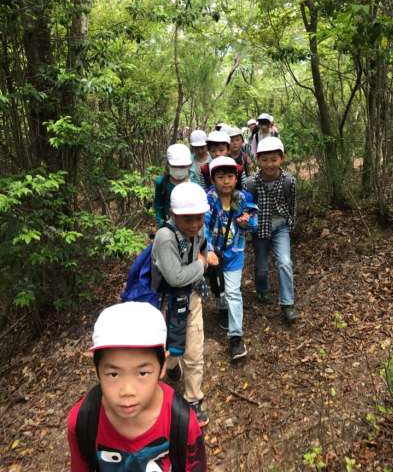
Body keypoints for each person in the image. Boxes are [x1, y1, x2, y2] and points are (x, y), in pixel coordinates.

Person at [67, 302, 207, 471]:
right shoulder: (83, 421)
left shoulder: (182, 422)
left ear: (162, 366)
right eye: (113, 374)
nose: (127, 391)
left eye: (142, 373)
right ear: (97, 369)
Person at [151, 182, 210, 427]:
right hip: (167, 302)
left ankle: (193, 398)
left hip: (191, 296)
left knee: (194, 349)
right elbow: (175, 277)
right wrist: (201, 264)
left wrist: (200, 262)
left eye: (199, 217)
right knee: (169, 341)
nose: (195, 224)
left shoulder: (200, 230)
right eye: (188, 219)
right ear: (174, 215)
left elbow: (201, 251)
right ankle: (172, 364)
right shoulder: (165, 237)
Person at [205, 157, 258, 361]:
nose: (226, 181)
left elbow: (253, 224)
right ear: (213, 179)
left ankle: (236, 338)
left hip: (235, 252)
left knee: (234, 292)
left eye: (230, 176)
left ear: (236, 179)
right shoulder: (208, 199)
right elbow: (202, 226)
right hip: (214, 253)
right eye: (220, 177)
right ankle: (221, 307)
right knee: (218, 286)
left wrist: (246, 222)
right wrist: (209, 250)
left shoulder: (242, 198)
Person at [245, 136, 298, 325]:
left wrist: (291, 225)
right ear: (258, 160)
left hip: (280, 227)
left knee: (284, 262)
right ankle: (262, 290)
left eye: (274, 159)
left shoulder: (289, 181)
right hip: (260, 228)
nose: (269, 164)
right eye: (265, 160)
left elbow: (292, 205)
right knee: (261, 265)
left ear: (281, 159)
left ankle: (287, 304)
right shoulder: (251, 183)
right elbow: (247, 207)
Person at [154, 144, 192, 227]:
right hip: (168, 225)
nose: (178, 169)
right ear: (168, 164)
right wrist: (160, 222)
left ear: (189, 165)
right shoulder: (161, 182)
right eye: (175, 166)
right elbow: (158, 204)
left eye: (182, 166)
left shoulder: (193, 184)